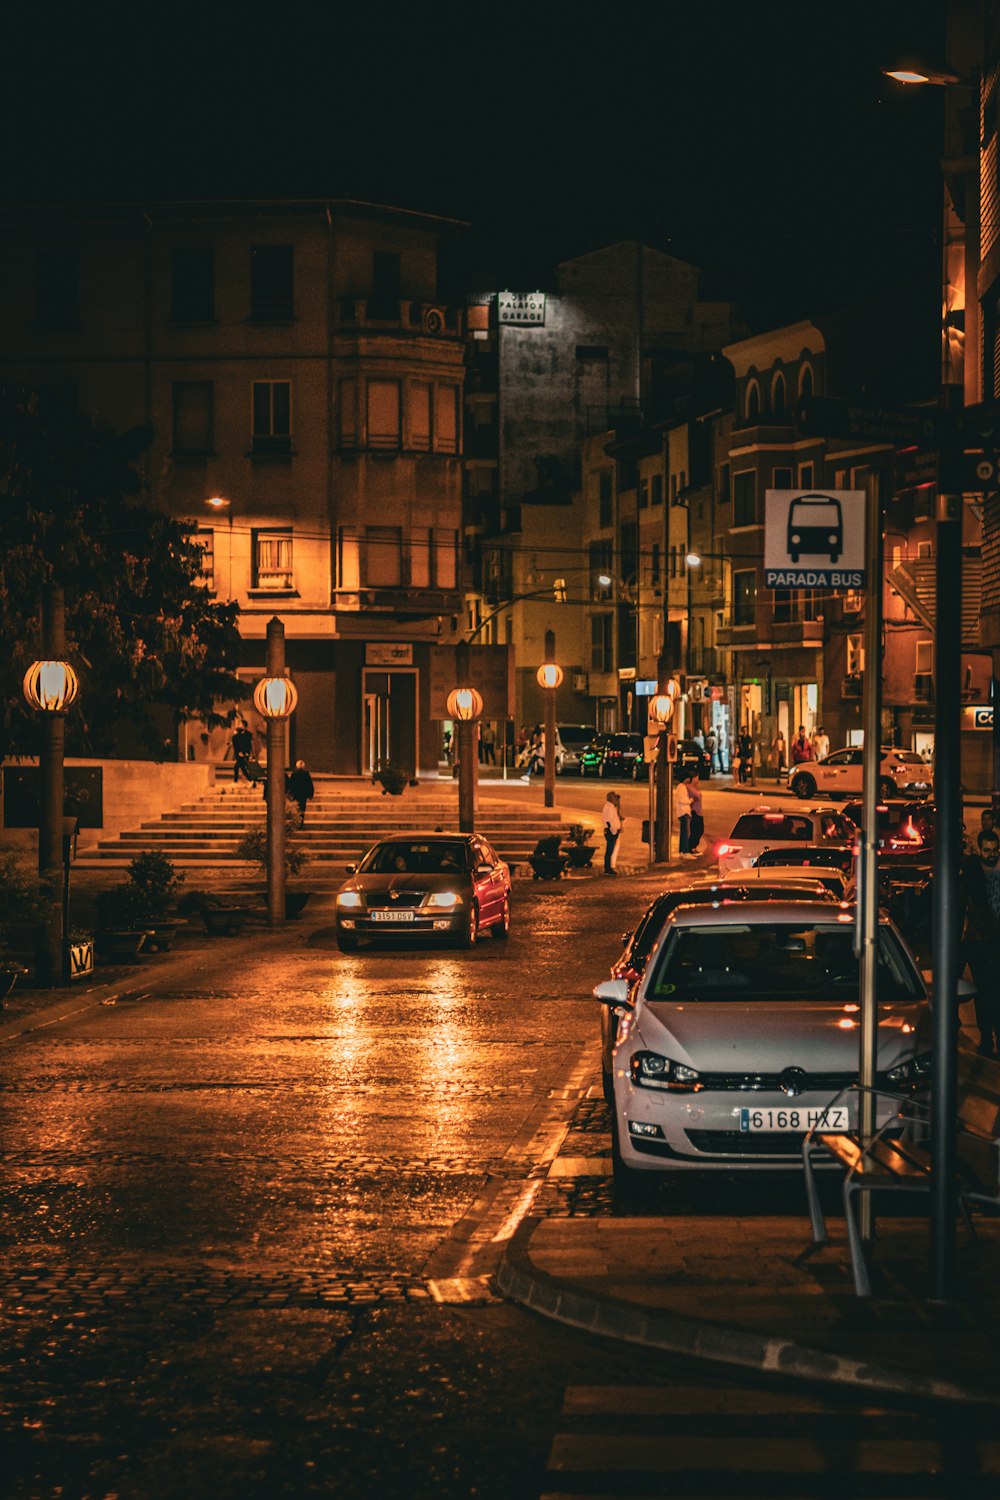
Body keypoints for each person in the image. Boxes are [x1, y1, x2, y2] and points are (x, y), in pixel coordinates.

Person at [960, 827, 1000, 1056]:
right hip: (980, 942)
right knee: (985, 992)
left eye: (994, 850)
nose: (991, 854)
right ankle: (987, 1037)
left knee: (991, 991)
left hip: (990, 941)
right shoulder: (973, 873)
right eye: (987, 850)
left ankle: (991, 1038)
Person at [287, 759, 315, 827]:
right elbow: (309, 784)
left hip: (295, 794)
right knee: (302, 808)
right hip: (303, 795)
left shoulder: (294, 774)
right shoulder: (306, 774)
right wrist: (310, 794)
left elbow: (291, 784)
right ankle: (301, 823)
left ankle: (295, 822)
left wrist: (289, 793)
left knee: (296, 808)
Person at [602, 789, 622, 874]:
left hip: (612, 831)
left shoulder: (611, 807)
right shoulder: (608, 808)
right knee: (609, 850)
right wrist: (614, 831)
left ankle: (608, 867)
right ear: (611, 798)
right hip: (611, 832)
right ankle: (608, 868)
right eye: (614, 797)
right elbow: (609, 821)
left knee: (610, 850)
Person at [675, 772, 694, 854]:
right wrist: (690, 801)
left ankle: (682, 851)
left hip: (684, 812)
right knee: (685, 833)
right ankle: (685, 851)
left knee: (684, 833)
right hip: (684, 812)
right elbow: (682, 800)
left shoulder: (681, 787)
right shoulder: (682, 787)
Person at [688, 774, 704, 854]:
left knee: (700, 829)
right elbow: (694, 798)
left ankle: (693, 846)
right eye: (696, 778)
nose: (698, 780)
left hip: (699, 811)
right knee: (696, 830)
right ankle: (691, 847)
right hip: (694, 811)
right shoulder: (689, 788)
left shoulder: (695, 788)